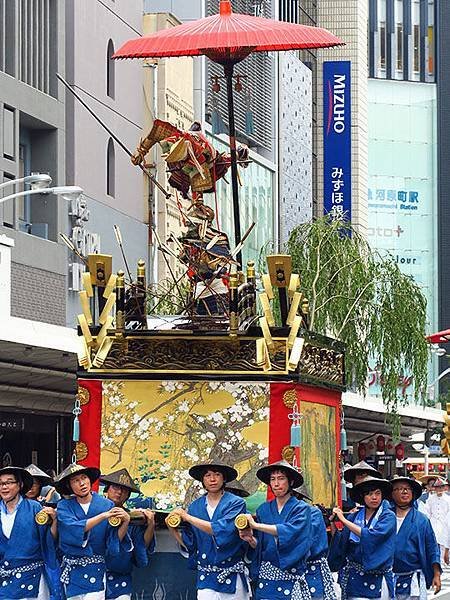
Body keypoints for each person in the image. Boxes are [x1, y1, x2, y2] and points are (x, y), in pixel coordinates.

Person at [167, 461, 250, 599]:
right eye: (207, 475)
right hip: (206, 577)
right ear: (202, 480)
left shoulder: (236, 503)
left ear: (224, 479)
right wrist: (172, 529)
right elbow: (190, 544)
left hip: (232, 576)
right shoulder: (195, 506)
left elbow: (221, 530)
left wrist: (187, 517)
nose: (212, 479)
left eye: (217, 474)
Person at [55, 463, 131, 600]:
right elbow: (72, 528)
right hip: (72, 569)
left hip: (96, 568)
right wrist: (102, 516)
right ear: (69, 486)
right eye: (75, 481)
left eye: (84, 478)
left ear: (90, 479)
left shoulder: (106, 505)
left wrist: (125, 522)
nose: (81, 483)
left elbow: (112, 540)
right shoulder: (64, 506)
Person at [239, 459, 312, 599]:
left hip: (290, 578)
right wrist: (250, 539)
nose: (276, 483)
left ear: (291, 482)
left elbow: (291, 532)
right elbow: (261, 546)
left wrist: (255, 525)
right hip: (266, 581)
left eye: (281, 478)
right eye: (272, 479)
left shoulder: (302, 509)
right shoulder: (263, 510)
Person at [328, 475, 396, 600]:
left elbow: (372, 536)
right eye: (369, 494)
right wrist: (333, 523)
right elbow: (341, 542)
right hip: (355, 578)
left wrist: (343, 520)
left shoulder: (388, 516)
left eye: (377, 493)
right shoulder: (354, 516)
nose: (374, 497)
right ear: (362, 497)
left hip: (378, 578)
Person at [0, 465, 57, 599]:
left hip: (33, 578)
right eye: (1, 483)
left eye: (9, 482)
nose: (4, 487)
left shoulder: (35, 508)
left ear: (20, 485)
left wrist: (55, 521)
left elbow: (48, 540)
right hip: (5, 579)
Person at [100, 468, 155, 600]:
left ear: (128, 495)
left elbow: (141, 546)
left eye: (124, 490)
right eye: (115, 487)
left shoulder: (133, 518)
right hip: (94, 573)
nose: (119, 492)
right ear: (107, 490)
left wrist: (151, 524)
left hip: (121, 576)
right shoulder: (95, 513)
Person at [390, 475, 441, 599]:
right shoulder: (384, 518)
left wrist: (436, 574)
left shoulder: (421, 520)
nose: (405, 491)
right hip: (387, 577)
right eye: (400, 488)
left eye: (408, 489)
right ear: (392, 494)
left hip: (412, 578)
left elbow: (432, 547)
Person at [292, 484, 336, 600]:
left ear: (296, 495)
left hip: (311, 568)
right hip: (290, 572)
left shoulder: (313, 513)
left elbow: (308, 543)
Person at [422, 477, 450, 566]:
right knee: (433, 542)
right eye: (437, 487)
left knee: (443, 542)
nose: (439, 489)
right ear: (435, 488)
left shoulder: (448, 499)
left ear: (444, 487)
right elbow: (427, 512)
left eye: (441, 487)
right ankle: (434, 561)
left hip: (444, 523)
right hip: (433, 522)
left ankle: (442, 561)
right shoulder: (430, 499)